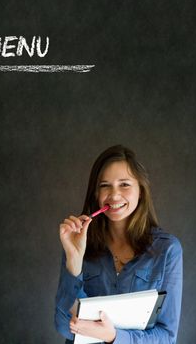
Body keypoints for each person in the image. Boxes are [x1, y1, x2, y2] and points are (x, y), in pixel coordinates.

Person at [54, 145, 183, 343]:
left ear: (140, 190)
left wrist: (113, 336)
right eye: (105, 185)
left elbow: (167, 337)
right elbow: (64, 326)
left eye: (124, 184)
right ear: (96, 194)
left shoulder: (167, 250)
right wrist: (74, 261)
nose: (114, 195)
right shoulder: (78, 242)